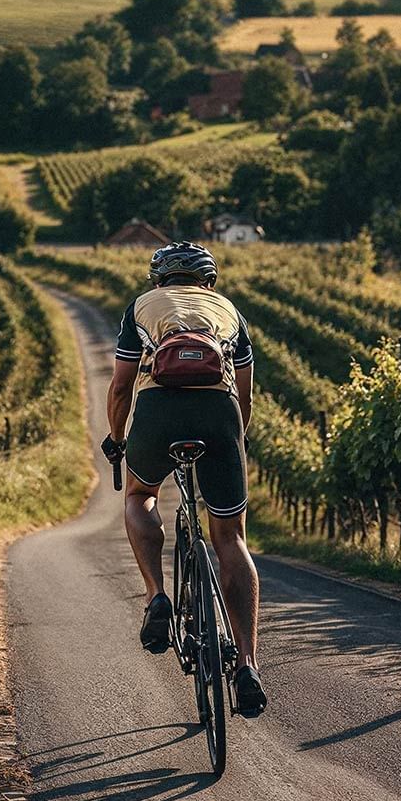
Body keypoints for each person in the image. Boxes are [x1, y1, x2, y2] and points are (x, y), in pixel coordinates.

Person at [101, 241, 267, 717]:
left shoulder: (142, 307)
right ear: (208, 282)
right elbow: (247, 394)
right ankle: (248, 666)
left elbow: (119, 386)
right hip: (220, 414)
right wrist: (237, 438)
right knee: (231, 537)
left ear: (159, 279)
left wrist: (117, 439)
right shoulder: (230, 312)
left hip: (158, 414)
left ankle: (156, 597)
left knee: (139, 497)